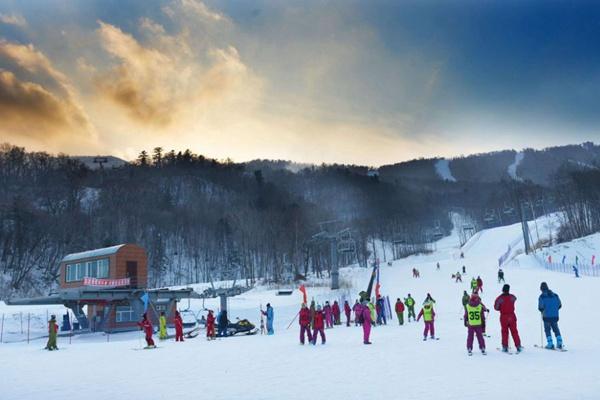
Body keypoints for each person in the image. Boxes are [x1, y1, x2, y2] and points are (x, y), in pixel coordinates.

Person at [494, 284, 522, 353]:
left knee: (504, 332)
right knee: (514, 331)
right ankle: (518, 346)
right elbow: (515, 298)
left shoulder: (500, 298)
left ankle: (505, 347)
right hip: (512, 316)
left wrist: (501, 307)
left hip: (504, 317)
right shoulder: (512, 297)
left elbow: (496, 307)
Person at [538, 282, 563, 349]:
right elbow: (559, 304)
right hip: (555, 316)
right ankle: (559, 342)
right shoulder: (555, 295)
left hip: (546, 316)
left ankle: (550, 343)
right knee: (556, 328)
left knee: (547, 329)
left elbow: (540, 307)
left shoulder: (542, 297)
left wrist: (542, 310)